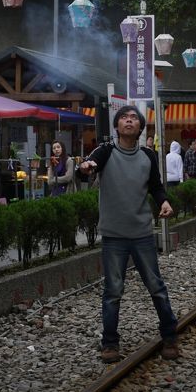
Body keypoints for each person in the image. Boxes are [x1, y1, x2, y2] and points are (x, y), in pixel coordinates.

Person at [79, 105, 179, 363]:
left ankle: (170, 336)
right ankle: (109, 343)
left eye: (134, 118)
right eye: (124, 117)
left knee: (156, 287)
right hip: (114, 235)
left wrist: (164, 202)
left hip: (142, 232)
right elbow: (91, 163)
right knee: (113, 291)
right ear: (117, 125)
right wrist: (87, 166)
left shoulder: (148, 155)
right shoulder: (106, 151)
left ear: (140, 126)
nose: (129, 121)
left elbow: (156, 187)